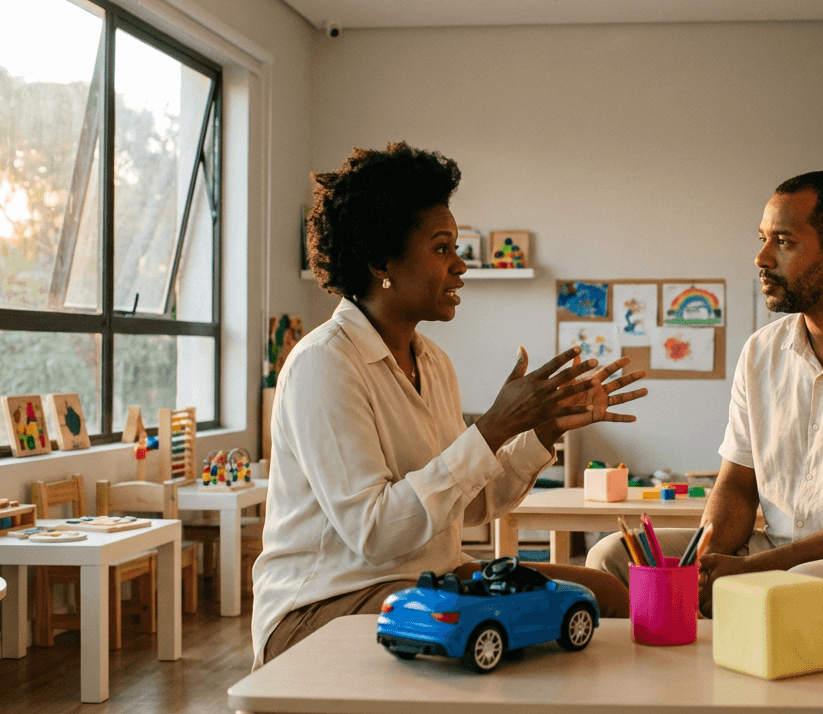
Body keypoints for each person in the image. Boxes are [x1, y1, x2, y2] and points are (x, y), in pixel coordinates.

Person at [252, 142, 646, 668]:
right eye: (442, 249)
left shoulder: (433, 362)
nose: (460, 267)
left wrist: (542, 431)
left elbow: (472, 505)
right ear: (380, 261)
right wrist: (491, 430)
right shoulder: (323, 366)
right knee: (490, 641)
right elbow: (376, 534)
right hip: (327, 601)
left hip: (427, 582)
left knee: (607, 594)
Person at [586, 171, 823, 613]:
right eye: (763, 239)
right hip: (769, 550)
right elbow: (736, 483)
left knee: (796, 583)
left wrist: (758, 568)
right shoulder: (762, 351)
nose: (761, 258)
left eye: (784, 242)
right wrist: (702, 559)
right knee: (611, 556)